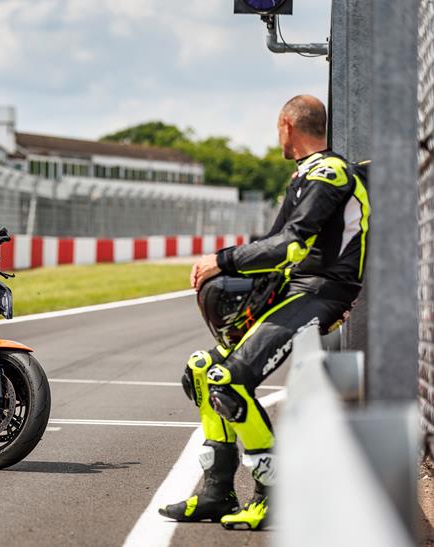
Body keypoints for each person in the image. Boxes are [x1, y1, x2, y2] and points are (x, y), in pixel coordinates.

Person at [157, 94, 370, 530]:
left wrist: (223, 259)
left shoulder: (328, 172)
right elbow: (279, 246)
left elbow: (289, 245)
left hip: (320, 292)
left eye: (277, 129)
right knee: (203, 369)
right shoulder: (309, 174)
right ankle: (216, 492)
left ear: (287, 126)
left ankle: (274, 496)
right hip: (297, 289)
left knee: (230, 381)